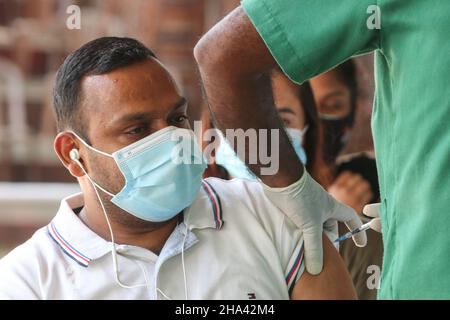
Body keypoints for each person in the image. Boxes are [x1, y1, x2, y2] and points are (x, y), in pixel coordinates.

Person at [0, 37, 356, 300]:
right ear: (72, 153)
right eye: (137, 129)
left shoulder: (272, 214)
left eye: (176, 118)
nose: (171, 140)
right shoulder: (28, 282)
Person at [194, 1, 450, 299]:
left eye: (286, 118)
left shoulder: (330, 236)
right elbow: (224, 56)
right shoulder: (175, 230)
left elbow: (225, 57)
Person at [310, 61, 383, 300]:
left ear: (355, 104)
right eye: (308, 107)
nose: (320, 122)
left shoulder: (373, 177)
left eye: (333, 105)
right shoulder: (260, 190)